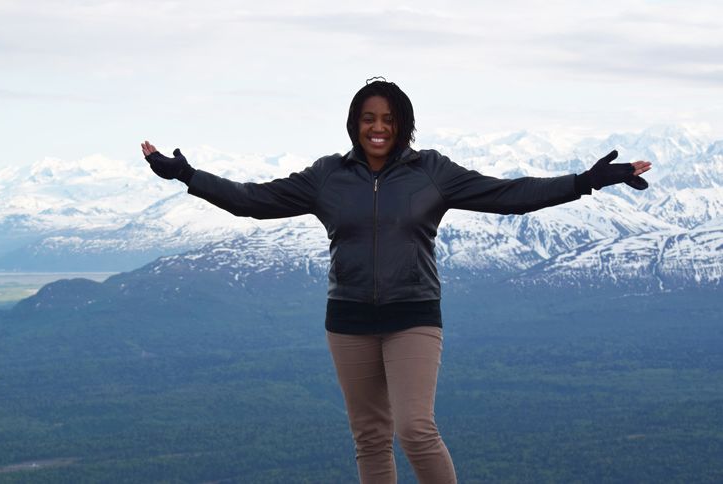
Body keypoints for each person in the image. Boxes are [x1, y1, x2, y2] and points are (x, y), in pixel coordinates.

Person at [141, 78, 651, 484]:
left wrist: (584, 183)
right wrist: (189, 176)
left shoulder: (432, 172)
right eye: (368, 119)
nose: (377, 128)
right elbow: (252, 200)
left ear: (403, 124)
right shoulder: (326, 177)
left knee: (415, 429)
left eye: (387, 119)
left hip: (413, 317)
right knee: (369, 436)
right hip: (349, 320)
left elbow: (509, 194)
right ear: (354, 125)